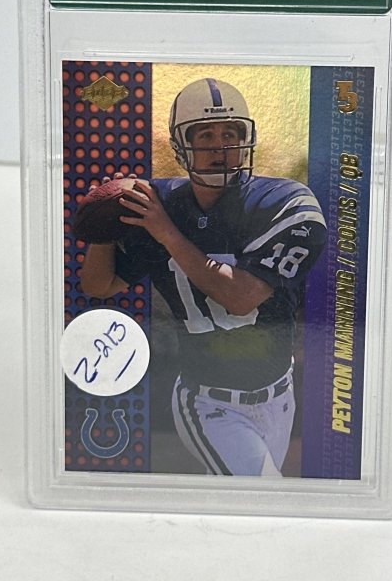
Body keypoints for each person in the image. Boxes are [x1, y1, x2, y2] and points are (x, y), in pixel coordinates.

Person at [81, 77, 327, 476]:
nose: (220, 147)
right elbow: (99, 285)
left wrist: (167, 233)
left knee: (249, 498)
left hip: (280, 397)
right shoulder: (157, 204)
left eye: (230, 133)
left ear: (246, 140)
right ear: (182, 145)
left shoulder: (282, 202)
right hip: (209, 404)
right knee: (263, 493)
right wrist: (103, 229)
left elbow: (241, 297)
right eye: (206, 135)